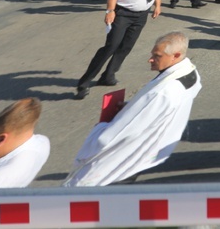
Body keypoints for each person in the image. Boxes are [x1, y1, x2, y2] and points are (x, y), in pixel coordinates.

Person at [65, 31, 201, 186]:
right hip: (148, 150)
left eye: (157, 56)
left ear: (176, 55)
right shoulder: (190, 72)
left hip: (122, 160)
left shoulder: (162, 92)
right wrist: (133, 106)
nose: (150, 59)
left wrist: (100, 129)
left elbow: (113, 137)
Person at [75, 0, 168, 100]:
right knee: (111, 46)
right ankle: (84, 83)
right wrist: (110, 11)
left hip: (141, 15)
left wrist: (158, 5)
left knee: (126, 47)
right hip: (123, 13)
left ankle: (108, 75)